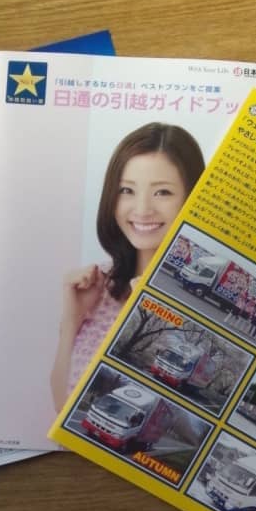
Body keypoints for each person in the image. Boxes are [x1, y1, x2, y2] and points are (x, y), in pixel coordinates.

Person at [50, 122, 204, 411]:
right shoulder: (97, 284)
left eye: (162, 192)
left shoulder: (199, 295)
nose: (142, 209)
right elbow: (62, 407)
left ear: (192, 196)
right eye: (127, 190)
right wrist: (72, 320)